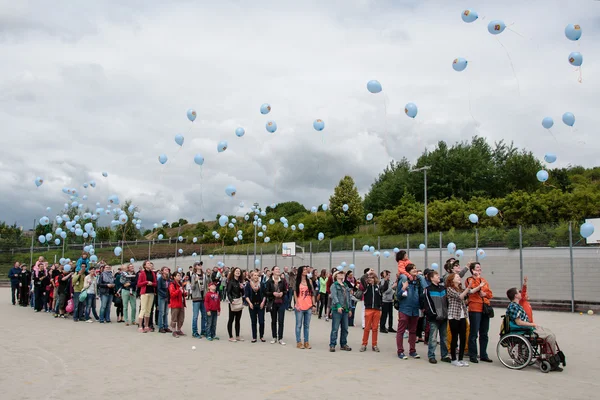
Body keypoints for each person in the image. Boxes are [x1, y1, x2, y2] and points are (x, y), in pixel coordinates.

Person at [505, 287, 561, 370]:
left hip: (526, 328)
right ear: (516, 295)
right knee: (550, 336)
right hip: (522, 330)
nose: (521, 294)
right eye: (519, 292)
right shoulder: (514, 306)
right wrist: (532, 324)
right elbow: (518, 322)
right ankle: (550, 359)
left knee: (548, 331)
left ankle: (546, 357)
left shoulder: (517, 305)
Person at [396, 264, 426, 360]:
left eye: (415, 268)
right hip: (404, 309)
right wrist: (403, 288)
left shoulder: (417, 282)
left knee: (413, 331)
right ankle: (400, 351)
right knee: (401, 330)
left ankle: (412, 351)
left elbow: (421, 295)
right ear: (407, 272)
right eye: (412, 269)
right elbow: (399, 296)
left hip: (415, 309)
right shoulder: (404, 281)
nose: (415, 270)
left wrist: (422, 306)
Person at [465, 262, 493, 363]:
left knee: (484, 333)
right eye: (477, 268)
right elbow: (472, 289)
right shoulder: (469, 280)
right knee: (474, 333)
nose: (479, 269)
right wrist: (479, 284)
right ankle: (473, 354)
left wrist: (485, 294)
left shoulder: (484, 280)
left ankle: (483, 354)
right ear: (472, 270)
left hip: (485, 307)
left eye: (480, 268)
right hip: (475, 308)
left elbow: (490, 293)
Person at [423, 270, 450, 364]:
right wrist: (434, 314)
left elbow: (447, 302)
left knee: (444, 337)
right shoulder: (428, 289)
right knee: (433, 338)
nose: (439, 277)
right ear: (431, 278)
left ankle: (444, 355)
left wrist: (446, 313)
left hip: (444, 317)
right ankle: (431, 355)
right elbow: (428, 304)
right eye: (436, 275)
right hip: (434, 318)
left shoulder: (443, 288)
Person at [446, 273, 470, 367]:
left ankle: (460, 358)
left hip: (462, 315)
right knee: (454, 337)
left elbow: (470, 292)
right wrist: (468, 288)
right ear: (452, 280)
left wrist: (478, 286)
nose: (459, 278)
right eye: (457, 277)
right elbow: (460, 297)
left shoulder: (460, 288)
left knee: (463, 337)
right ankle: (453, 359)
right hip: (453, 316)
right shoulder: (449, 289)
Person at [329, 270, 352, 352]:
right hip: (337, 309)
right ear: (336, 276)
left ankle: (343, 344)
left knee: (345, 328)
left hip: (345, 309)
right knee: (335, 328)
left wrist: (349, 308)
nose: (342, 275)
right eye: (340, 274)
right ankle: (332, 344)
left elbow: (348, 297)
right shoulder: (334, 285)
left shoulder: (345, 285)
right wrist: (338, 305)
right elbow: (334, 296)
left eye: (342, 274)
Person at [294, 266, 316, 349]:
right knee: (298, 325)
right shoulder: (297, 281)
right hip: (300, 306)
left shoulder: (309, 281)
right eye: (304, 270)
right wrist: (297, 304)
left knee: (306, 325)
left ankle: (306, 342)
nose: (306, 271)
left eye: (306, 270)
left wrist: (314, 304)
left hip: (308, 305)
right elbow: (295, 294)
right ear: (300, 271)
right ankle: (299, 342)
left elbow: (312, 293)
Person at [265, 266, 287, 345]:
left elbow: (285, 290)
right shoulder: (269, 281)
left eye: (278, 269)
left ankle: (280, 338)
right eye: (276, 269)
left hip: (281, 303)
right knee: (274, 320)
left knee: (281, 321)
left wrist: (282, 293)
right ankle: (274, 337)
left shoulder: (283, 281)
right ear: (273, 271)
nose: (278, 270)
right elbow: (266, 292)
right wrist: (272, 293)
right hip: (273, 303)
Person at [360, 272, 381, 352]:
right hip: (368, 309)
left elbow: (384, 289)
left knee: (375, 328)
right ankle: (364, 344)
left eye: (372, 278)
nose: (370, 279)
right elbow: (362, 279)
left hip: (377, 309)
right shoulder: (366, 287)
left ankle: (374, 344)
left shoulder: (378, 287)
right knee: (367, 328)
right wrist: (367, 273)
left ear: (374, 279)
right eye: (369, 278)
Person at [245, 270, 267, 343]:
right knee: (253, 321)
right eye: (254, 275)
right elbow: (246, 295)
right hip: (252, 305)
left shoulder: (262, 284)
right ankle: (254, 337)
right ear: (251, 276)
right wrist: (250, 303)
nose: (256, 276)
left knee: (261, 321)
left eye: (257, 275)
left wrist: (263, 302)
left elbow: (264, 294)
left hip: (260, 305)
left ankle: (261, 336)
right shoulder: (248, 284)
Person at [136, 260, 157, 332]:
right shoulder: (142, 273)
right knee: (143, 309)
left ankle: (146, 325)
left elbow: (155, 283)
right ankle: (140, 326)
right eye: (148, 263)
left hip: (151, 292)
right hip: (144, 292)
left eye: (150, 263)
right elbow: (139, 284)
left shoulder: (153, 273)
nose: (149, 264)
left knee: (148, 310)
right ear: (144, 265)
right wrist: (146, 282)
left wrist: (152, 284)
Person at [226, 267, 245, 342]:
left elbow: (243, 293)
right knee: (231, 319)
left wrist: (242, 288)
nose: (238, 272)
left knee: (238, 319)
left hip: (239, 301)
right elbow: (228, 292)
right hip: (233, 301)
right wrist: (231, 300)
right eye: (236, 271)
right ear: (233, 272)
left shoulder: (240, 282)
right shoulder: (230, 282)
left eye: (239, 271)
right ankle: (230, 336)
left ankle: (237, 336)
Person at [191, 263, 208, 338]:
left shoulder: (204, 275)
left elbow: (208, 285)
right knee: (195, 316)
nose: (200, 266)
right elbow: (192, 287)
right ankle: (194, 332)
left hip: (203, 297)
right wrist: (195, 281)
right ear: (195, 266)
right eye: (198, 265)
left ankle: (203, 330)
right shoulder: (193, 275)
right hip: (196, 298)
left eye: (201, 265)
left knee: (204, 315)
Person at [169, 271, 186, 337]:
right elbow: (172, 294)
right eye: (178, 275)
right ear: (174, 277)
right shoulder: (172, 284)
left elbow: (182, 293)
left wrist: (185, 293)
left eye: (180, 275)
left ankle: (179, 329)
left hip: (181, 303)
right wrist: (179, 290)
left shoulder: (181, 284)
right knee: (174, 318)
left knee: (181, 317)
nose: (179, 277)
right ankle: (173, 331)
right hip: (175, 304)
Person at [157, 267, 171, 333]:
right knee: (161, 312)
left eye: (167, 270)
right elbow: (159, 288)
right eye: (165, 270)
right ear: (162, 271)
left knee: (166, 312)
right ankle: (160, 327)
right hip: (162, 296)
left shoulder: (169, 279)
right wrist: (165, 294)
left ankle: (166, 326)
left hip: (167, 297)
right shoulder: (160, 279)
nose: (167, 271)